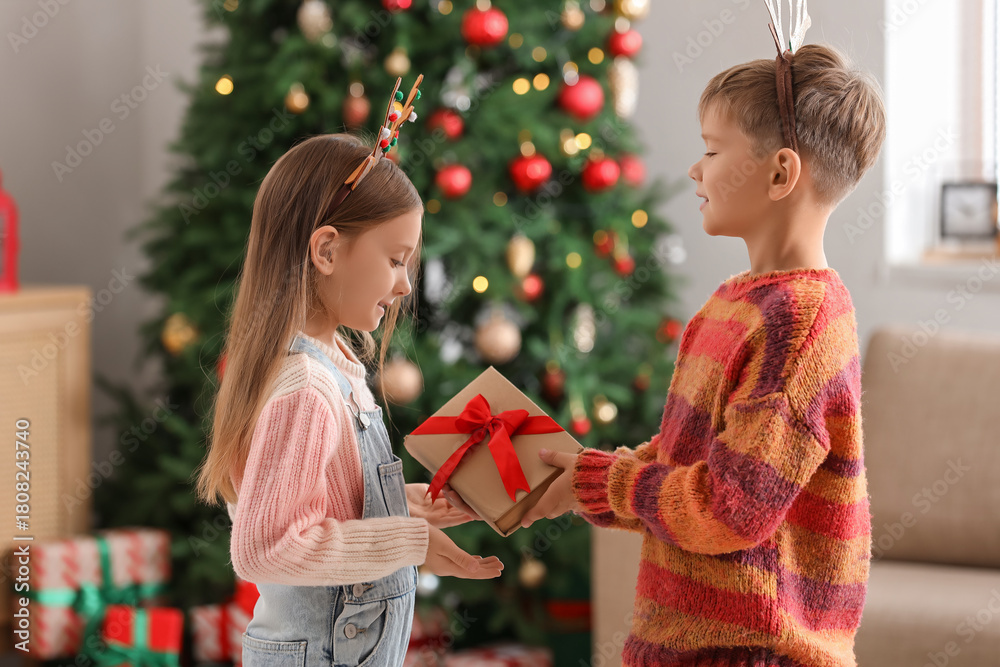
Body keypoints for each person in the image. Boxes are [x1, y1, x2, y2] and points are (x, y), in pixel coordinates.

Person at [509, 38, 887, 667]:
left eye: (712, 150)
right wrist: (584, 485)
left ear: (780, 173)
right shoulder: (733, 303)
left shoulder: (802, 323)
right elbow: (686, 469)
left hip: (751, 653)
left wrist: (598, 481)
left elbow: (729, 509)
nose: (695, 169)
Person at [195, 131, 502, 667]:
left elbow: (314, 500)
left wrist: (397, 505)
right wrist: (410, 542)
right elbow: (266, 547)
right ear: (327, 250)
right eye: (396, 259)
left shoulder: (332, 363)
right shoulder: (308, 389)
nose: (406, 284)